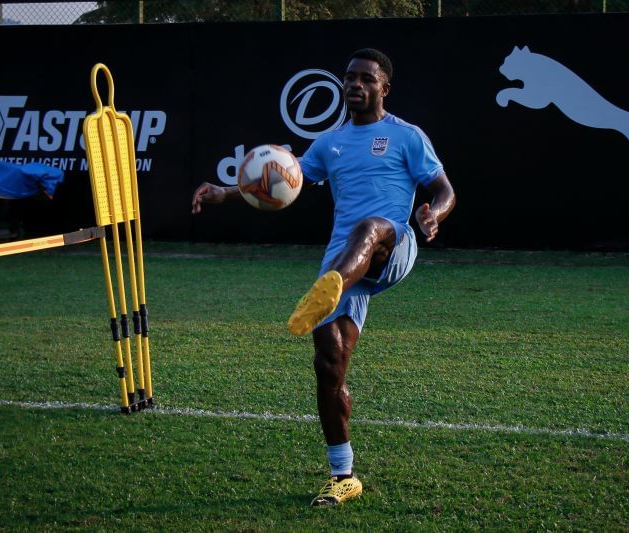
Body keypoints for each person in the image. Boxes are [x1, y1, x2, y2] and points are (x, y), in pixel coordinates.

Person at [192, 48, 455, 507]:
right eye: (349, 78)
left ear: (383, 88)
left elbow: (443, 188)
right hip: (343, 260)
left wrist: (435, 214)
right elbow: (282, 181)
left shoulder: (407, 136)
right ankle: (343, 475)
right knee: (329, 365)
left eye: (366, 79)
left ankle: (328, 287)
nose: (355, 85)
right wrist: (224, 193)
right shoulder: (328, 144)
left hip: (393, 243)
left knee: (368, 227)